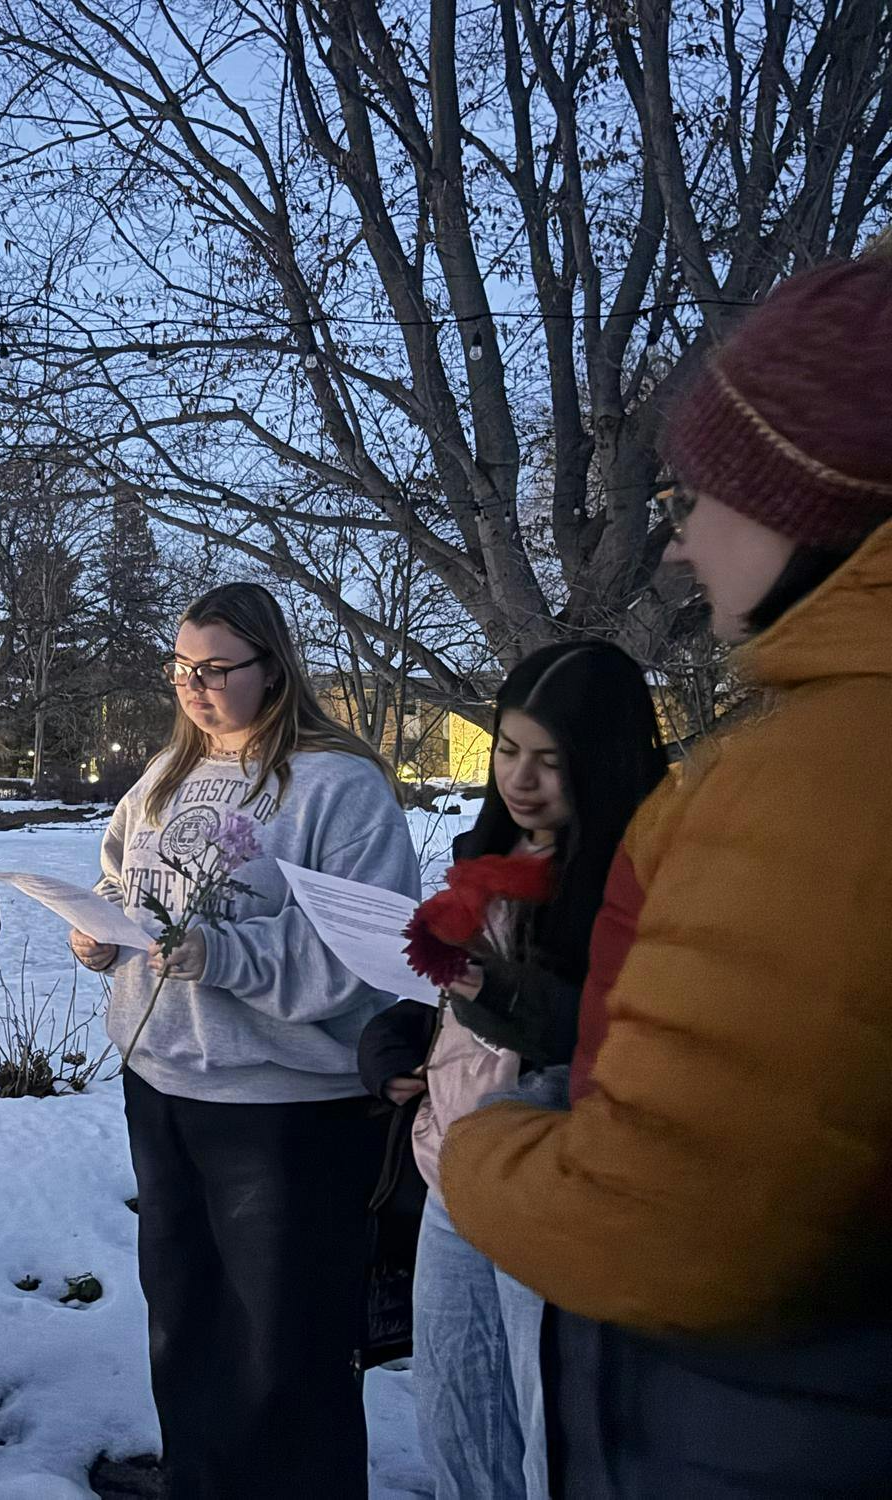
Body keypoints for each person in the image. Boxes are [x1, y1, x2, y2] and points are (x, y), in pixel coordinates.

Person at [443, 252, 892, 1496]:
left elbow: (676, 1227)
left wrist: (485, 1148)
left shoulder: (822, 774)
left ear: (811, 505)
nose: (684, 547)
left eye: (704, 498)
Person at [70, 582, 421, 1499]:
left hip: (285, 1108)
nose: (194, 685)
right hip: (163, 1085)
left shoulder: (338, 787)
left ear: (274, 666)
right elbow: (123, 885)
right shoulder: (163, 777)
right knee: (184, 1325)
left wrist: (222, 955)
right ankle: (201, 1480)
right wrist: (103, 934)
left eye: (217, 668)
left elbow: (366, 953)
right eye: (182, 667)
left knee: (286, 1348)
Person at [358, 642, 666, 1500]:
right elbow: (441, 1009)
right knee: (455, 1417)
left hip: (557, 1181)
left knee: (550, 1439)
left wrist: (493, 991)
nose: (521, 780)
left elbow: (617, 1030)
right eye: (507, 750)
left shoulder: (642, 873)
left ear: (601, 761)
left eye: (551, 760)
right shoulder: (484, 855)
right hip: (453, 1166)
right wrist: (392, 1050)